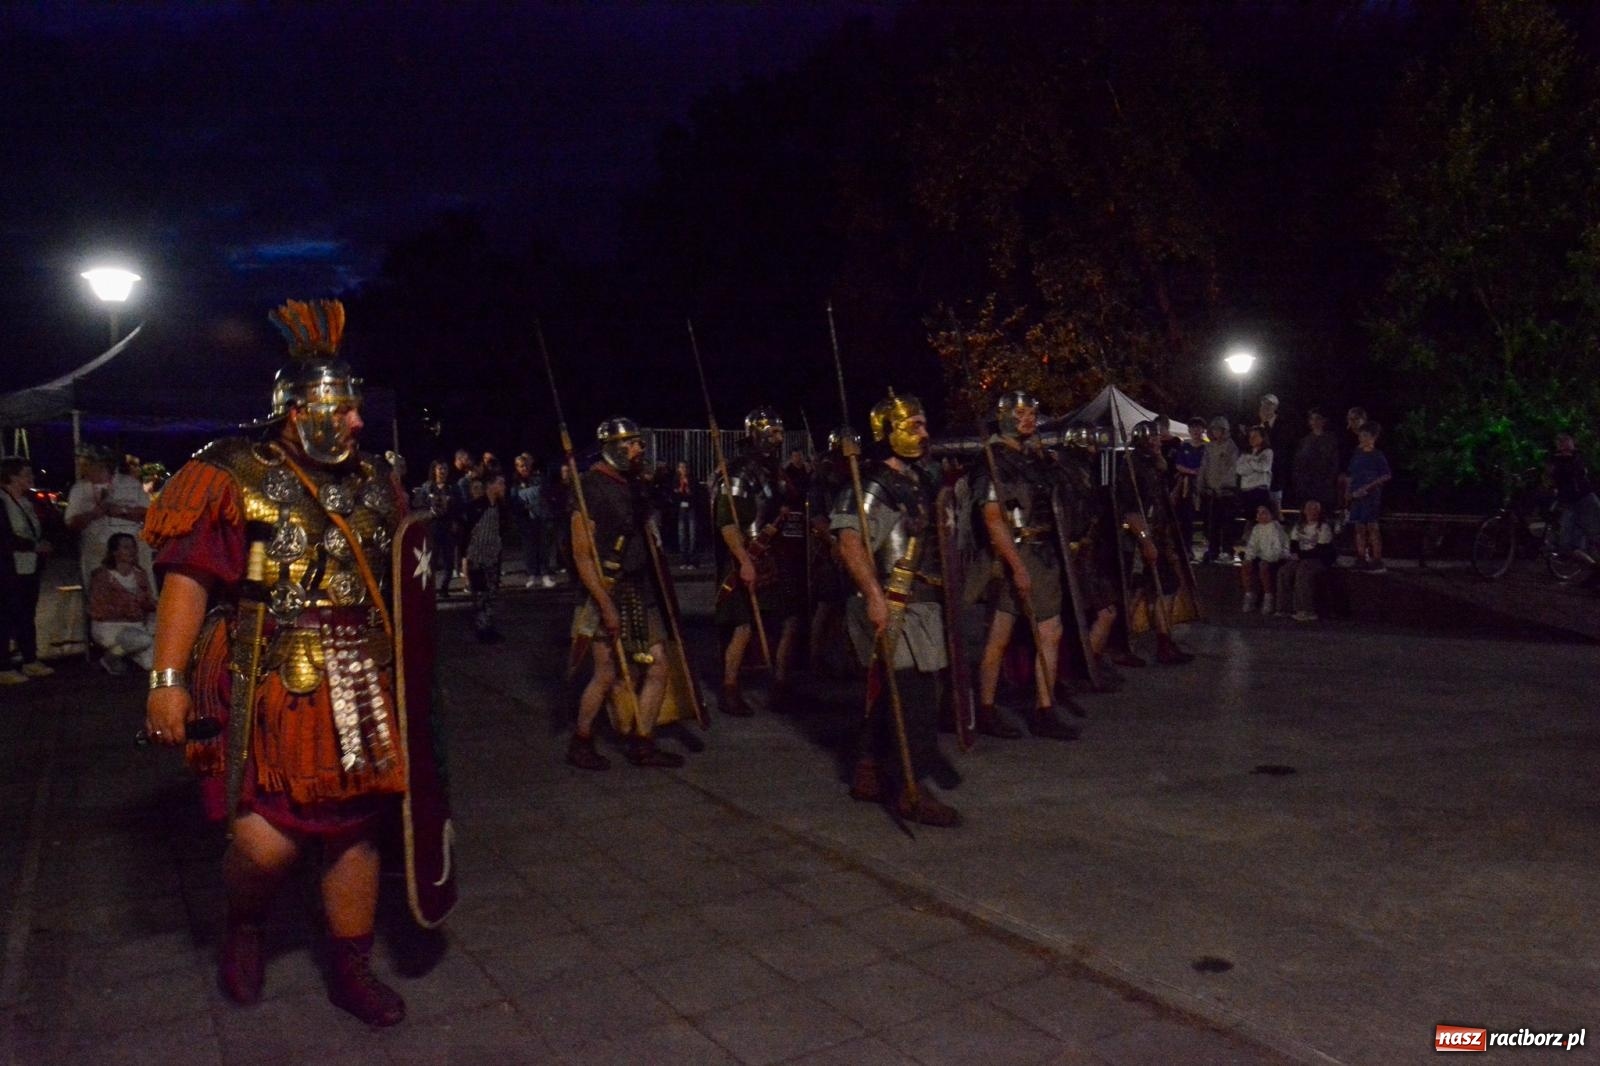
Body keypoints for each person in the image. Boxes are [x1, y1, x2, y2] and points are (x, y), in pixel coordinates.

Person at [141, 298, 441, 1026]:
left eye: (355, 409)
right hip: (269, 679)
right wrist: (167, 682)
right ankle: (244, 925)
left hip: (361, 682)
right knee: (265, 844)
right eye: (342, 410)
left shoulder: (375, 480)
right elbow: (189, 577)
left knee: (355, 835)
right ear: (298, 409)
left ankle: (351, 966)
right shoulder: (230, 471)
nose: (357, 424)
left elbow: (405, 575)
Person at [831, 390, 960, 827]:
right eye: (914, 425)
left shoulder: (917, 479)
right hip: (893, 599)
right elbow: (850, 542)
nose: (924, 432)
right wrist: (873, 595)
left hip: (919, 600)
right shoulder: (873, 485)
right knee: (915, 694)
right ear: (888, 433)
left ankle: (867, 769)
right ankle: (912, 786)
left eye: (924, 423)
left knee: (889, 690)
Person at [564, 417, 685, 771]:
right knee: (607, 674)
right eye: (631, 444)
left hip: (638, 589)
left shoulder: (633, 486)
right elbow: (582, 555)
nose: (638, 450)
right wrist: (605, 605)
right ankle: (581, 741)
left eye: (638, 443)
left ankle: (642, 742)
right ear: (615, 447)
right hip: (606, 590)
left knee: (658, 665)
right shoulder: (589, 487)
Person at [971, 390, 1081, 741]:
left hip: (1041, 553)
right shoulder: (994, 460)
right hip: (1019, 553)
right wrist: (1017, 566)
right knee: (1028, 633)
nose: (1029, 419)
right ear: (1005, 417)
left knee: (1015, 633)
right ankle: (1026, 710)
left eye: (1032, 412)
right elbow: (992, 519)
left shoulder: (1033, 458)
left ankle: (1011, 708)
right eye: (1021, 414)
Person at [712, 407, 801, 714]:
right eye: (773, 432)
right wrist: (744, 561)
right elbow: (727, 522)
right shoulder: (737, 472)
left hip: (774, 553)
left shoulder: (772, 469)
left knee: (788, 619)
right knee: (744, 625)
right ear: (759, 433)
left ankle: (780, 684)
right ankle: (729, 688)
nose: (779, 438)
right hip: (748, 553)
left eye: (780, 432)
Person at [1116, 422, 1195, 664]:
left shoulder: (1152, 463)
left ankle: (1164, 642)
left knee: (1165, 586)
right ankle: (1121, 644)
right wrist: (1144, 540)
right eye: (1154, 439)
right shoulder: (1132, 466)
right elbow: (1130, 510)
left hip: (1158, 535)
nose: (1158, 442)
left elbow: (1161, 483)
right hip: (1140, 537)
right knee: (1137, 591)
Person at [64, 445, 154, 594]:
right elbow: (71, 523)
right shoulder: (79, 489)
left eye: (85, 464)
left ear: (100, 465)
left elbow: (148, 514)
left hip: (132, 554)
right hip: (97, 555)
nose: (81, 468)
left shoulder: (130, 484)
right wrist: (93, 514)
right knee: (102, 599)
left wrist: (121, 511)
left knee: (136, 597)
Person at [0, 457, 55, 685]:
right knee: (6, 614)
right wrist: (32, 545)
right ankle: (3, 666)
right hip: (7, 566)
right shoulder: (2, 501)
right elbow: (3, 537)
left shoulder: (27, 500)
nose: (30, 478)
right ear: (12, 476)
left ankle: (29, 658)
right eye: (25, 473)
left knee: (25, 612)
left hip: (29, 565)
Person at [88, 531, 158, 672]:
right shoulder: (102, 576)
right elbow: (97, 609)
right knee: (142, 640)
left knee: (152, 664)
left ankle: (126, 652)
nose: (132, 551)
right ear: (114, 552)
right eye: (126, 547)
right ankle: (111, 657)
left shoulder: (140, 574)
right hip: (109, 626)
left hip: (136, 625)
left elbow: (148, 602)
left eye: (133, 547)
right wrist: (127, 607)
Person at [463, 474, 507, 641]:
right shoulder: (476, 507)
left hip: (492, 558)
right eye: (500, 483)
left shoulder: (499, 508)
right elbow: (467, 536)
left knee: (491, 594)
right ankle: (482, 630)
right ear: (491, 485)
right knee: (481, 595)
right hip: (478, 559)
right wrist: (466, 561)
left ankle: (488, 626)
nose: (503, 487)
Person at [1276, 499, 1336, 621]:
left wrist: (1301, 556)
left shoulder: (1323, 527)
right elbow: (1294, 544)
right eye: (1309, 508)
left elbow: (1321, 550)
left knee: (1303, 572)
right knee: (1284, 571)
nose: (1311, 512)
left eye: (1315, 509)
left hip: (1318, 559)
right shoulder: (1298, 527)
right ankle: (1284, 608)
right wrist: (1295, 555)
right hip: (1301, 558)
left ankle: (1306, 609)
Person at [1346, 421, 1392, 572]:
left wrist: (1369, 486)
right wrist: (1349, 492)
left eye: (1366, 435)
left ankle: (1377, 559)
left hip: (1370, 496)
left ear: (1373, 437)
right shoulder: (1357, 454)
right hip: (1356, 495)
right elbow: (1351, 474)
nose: (1362, 438)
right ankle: (1360, 557)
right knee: (1359, 527)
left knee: (1372, 527)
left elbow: (1386, 475)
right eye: (1361, 435)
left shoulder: (1377, 455)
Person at [412, 461, 457, 594]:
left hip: (448, 526)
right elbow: (420, 504)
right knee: (431, 559)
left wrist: (455, 520)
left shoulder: (452, 487)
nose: (442, 471)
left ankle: (444, 587)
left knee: (449, 559)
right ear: (434, 470)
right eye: (440, 468)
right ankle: (430, 589)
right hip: (432, 526)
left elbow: (459, 505)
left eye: (445, 468)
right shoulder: (427, 487)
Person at [511, 453, 555, 590]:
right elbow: (513, 502)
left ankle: (545, 574)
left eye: (525, 465)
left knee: (543, 547)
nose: (523, 468)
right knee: (529, 548)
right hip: (525, 520)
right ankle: (532, 575)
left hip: (540, 517)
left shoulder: (538, 479)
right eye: (520, 466)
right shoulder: (515, 483)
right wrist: (522, 508)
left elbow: (547, 495)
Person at [1199, 415, 1240, 563]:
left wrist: (1225, 484)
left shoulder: (1231, 446)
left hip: (1226, 492)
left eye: (1218, 429)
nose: (1216, 432)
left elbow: (1233, 467)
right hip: (1211, 491)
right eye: (1214, 429)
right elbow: (1204, 466)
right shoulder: (1209, 447)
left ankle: (1227, 550)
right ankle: (1213, 550)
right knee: (1212, 523)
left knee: (1227, 522)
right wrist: (1201, 484)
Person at [1239, 504, 1289, 614]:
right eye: (1259, 513)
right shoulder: (1257, 528)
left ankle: (1268, 597)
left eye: (1264, 512)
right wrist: (1249, 558)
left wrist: (1267, 559)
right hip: (1263, 557)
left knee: (1264, 566)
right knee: (1246, 565)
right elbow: (1252, 546)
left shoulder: (1276, 528)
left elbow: (1278, 549)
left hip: (1277, 558)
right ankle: (1249, 595)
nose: (1260, 515)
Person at [1292, 409, 1340, 518]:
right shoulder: (1304, 441)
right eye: (1312, 419)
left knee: (1324, 516)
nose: (1315, 422)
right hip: (1307, 486)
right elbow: (1297, 464)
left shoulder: (1331, 439)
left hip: (1325, 486)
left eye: (1318, 418)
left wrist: (1329, 480)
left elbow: (1334, 463)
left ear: (1324, 421)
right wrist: (1300, 482)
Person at [1172, 419, 1207, 559]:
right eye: (1193, 428)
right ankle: (1187, 549)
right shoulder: (1184, 446)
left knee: (1206, 517)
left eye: (1198, 428)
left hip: (1204, 486)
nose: (1196, 431)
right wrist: (1193, 472)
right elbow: (1178, 465)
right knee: (1186, 518)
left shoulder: (1207, 448)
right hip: (1186, 486)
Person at [1256, 393, 1291, 514]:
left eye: (1270, 404)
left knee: (1275, 510)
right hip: (1258, 476)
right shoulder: (1257, 425)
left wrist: (1265, 424)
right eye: (1264, 404)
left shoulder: (1282, 425)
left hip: (1275, 474)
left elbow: (1276, 447)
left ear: (1275, 407)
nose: (1266, 407)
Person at [1236, 426, 1274, 523]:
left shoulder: (1267, 452)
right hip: (1246, 491)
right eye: (1250, 436)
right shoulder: (1245, 454)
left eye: (1255, 436)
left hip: (1259, 491)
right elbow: (1239, 470)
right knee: (1250, 519)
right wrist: (1253, 464)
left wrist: (1249, 462)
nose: (1252, 439)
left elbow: (1264, 467)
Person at [670, 460, 698, 566]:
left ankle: (692, 560)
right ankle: (683, 560)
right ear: (678, 469)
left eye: (685, 467)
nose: (683, 470)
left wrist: (688, 487)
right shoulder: (675, 480)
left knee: (692, 534)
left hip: (691, 507)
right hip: (681, 508)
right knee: (681, 534)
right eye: (681, 467)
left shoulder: (692, 479)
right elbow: (674, 493)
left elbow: (695, 493)